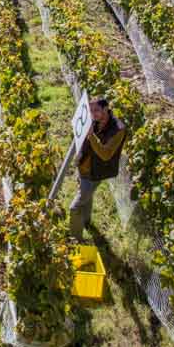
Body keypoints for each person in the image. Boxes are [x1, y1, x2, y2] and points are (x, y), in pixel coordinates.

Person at [70, 97, 127, 241]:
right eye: (90, 110)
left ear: (106, 109)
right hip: (84, 166)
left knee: (74, 208)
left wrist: (91, 135)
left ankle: (76, 239)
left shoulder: (118, 130)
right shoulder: (93, 120)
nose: (92, 114)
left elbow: (106, 154)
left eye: (96, 110)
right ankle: (86, 222)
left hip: (96, 171)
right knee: (86, 197)